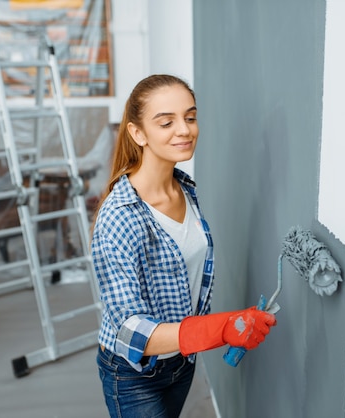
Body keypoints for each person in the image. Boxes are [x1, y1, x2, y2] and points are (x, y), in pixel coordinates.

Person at [90, 74, 277, 418]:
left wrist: (206, 335)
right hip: (134, 374)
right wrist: (221, 328)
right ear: (138, 133)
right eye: (166, 122)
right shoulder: (119, 218)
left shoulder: (184, 188)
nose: (185, 130)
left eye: (190, 117)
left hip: (181, 362)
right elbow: (132, 330)